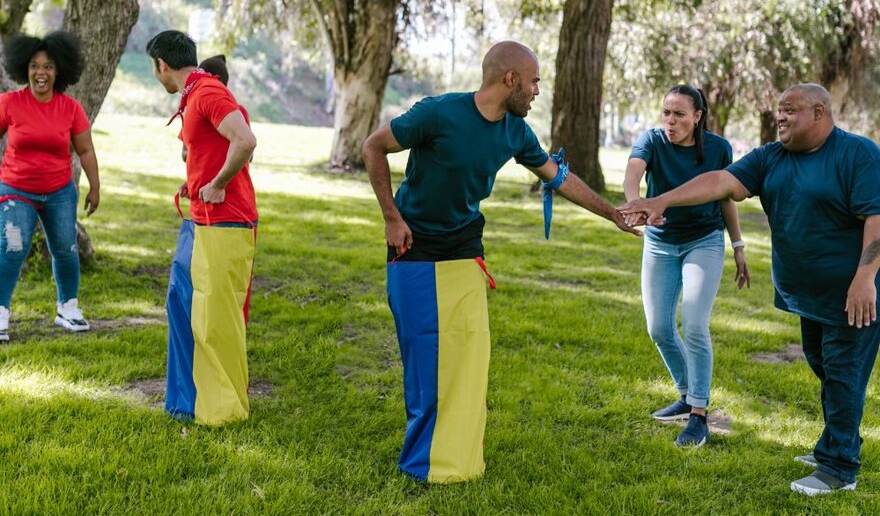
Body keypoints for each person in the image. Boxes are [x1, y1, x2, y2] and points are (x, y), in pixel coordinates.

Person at [363, 40, 642, 482]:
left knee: (468, 351)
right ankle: (422, 461)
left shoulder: (516, 130)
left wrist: (613, 214)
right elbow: (373, 147)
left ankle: (459, 459)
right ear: (509, 79)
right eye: (533, 82)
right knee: (424, 354)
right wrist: (391, 217)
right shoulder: (437, 113)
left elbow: (560, 178)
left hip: (464, 244)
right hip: (412, 240)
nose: (535, 91)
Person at [619, 83, 880, 496]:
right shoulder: (771, 157)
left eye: (789, 110)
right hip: (811, 296)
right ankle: (836, 443)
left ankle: (838, 468)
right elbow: (721, 182)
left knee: (844, 375)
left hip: (854, 294)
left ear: (818, 112)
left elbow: (876, 217)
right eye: (778, 110)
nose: (780, 117)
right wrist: (662, 201)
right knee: (827, 369)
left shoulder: (857, 154)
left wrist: (866, 277)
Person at [623, 85, 750, 447]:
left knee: (694, 323)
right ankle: (685, 394)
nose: (670, 121)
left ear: (697, 117)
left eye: (679, 114)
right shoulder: (652, 140)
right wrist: (638, 206)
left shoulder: (718, 148)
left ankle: (698, 415)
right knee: (659, 327)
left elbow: (725, 197)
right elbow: (633, 174)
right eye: (666, 112)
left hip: (704, 240)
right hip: (660, 244)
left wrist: (738, 245)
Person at [146, 30, 258, 425]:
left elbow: (244, 141)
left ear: (161, 64)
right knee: (181, 304)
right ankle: (185, 402)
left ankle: (222, 409)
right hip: (199, 218)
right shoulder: (193, 95)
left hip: (226, 221)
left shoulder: (208, 93)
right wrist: (196, 181)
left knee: (215, 315)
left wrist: (218, 183)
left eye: (154, 68)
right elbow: (210, 148)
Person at [0, 31, 100, 340]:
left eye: (48, 67)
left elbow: (85, 150)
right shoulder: (9, 103)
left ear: (59, 71)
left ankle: (67, 308)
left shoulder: (70, 108)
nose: (40, 73)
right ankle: (1, 312)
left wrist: (95, 187)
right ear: (24, 68)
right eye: (34, 66)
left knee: (66, 249)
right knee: (11, 249)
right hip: (16, 190)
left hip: (59, 191)